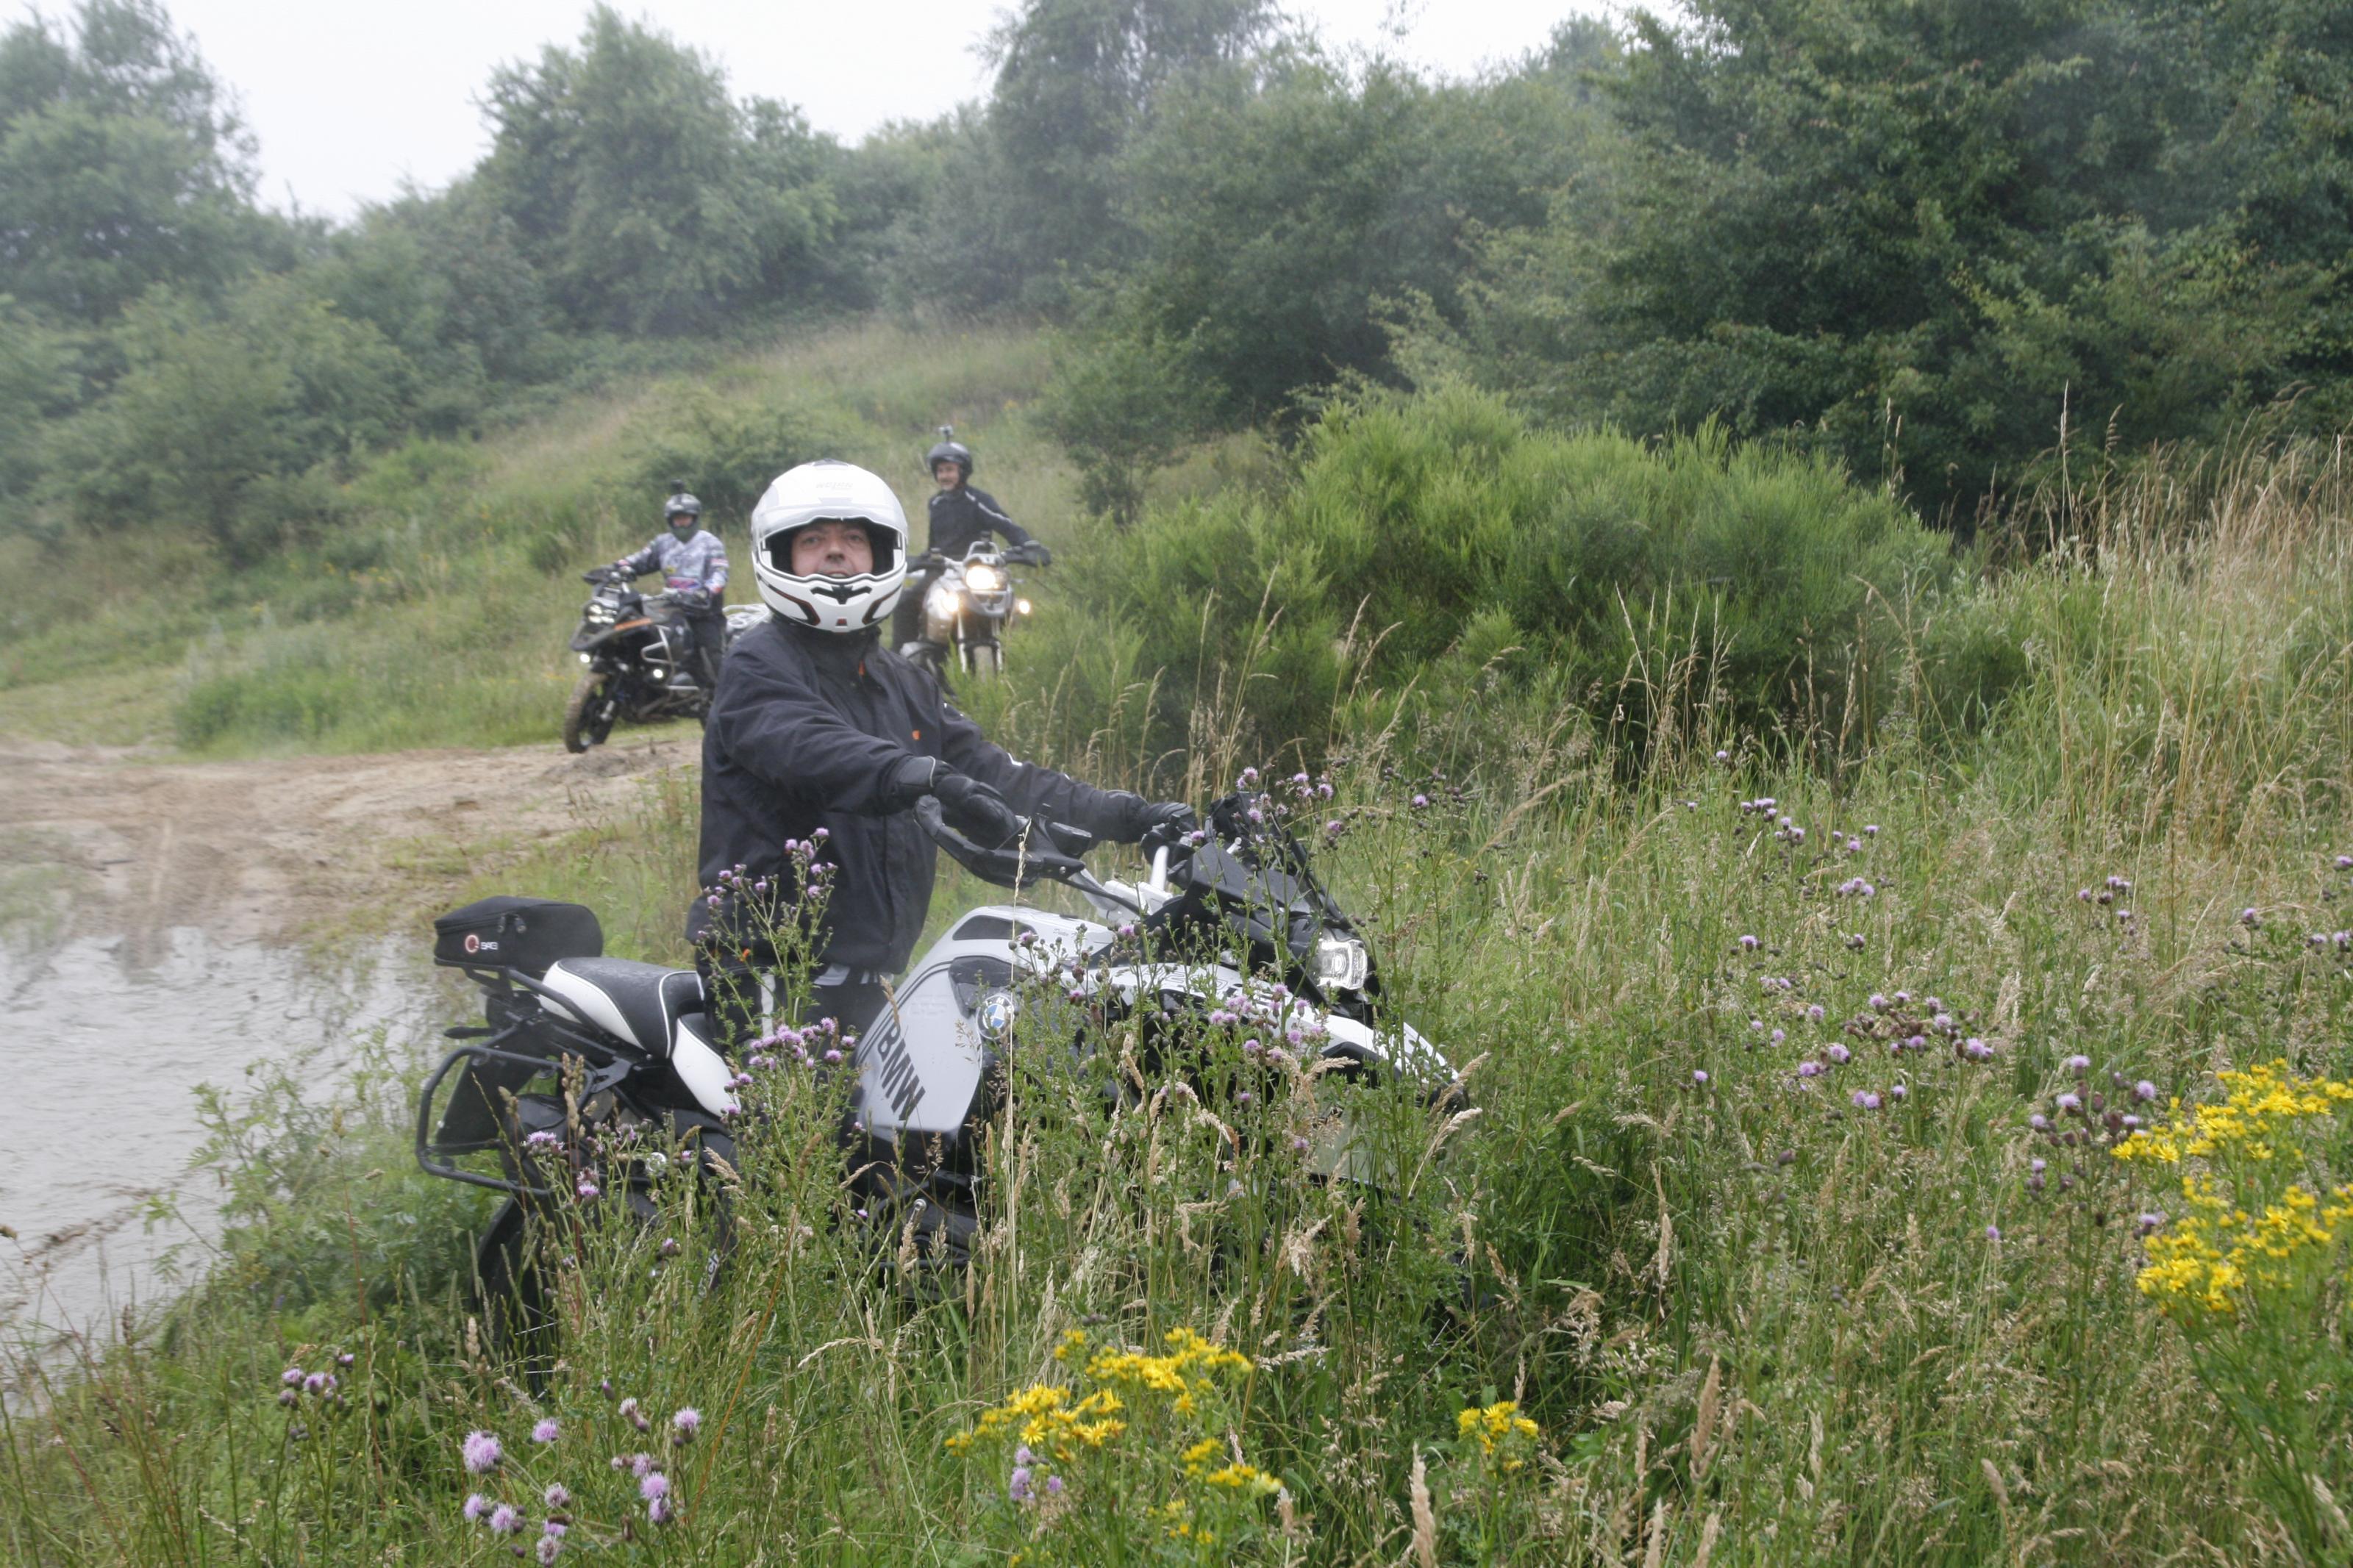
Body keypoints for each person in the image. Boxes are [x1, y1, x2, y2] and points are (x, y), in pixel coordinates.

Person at [692, 459, 1190, 1042]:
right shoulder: (756, 664)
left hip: (872, 979)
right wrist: (920, 775)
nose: (836, 552)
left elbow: (997, 774)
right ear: (779, 555)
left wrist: (1132, 815)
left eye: (853, 539)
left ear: (881, 553)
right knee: (810, 1108)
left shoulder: (904, 681)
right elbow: (814, 748)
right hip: (768, 969)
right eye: (813, 541)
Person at [894, 429, 1050, 652]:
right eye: (940, 471)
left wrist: (1026, 546)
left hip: (979, 570)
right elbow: (934, 544)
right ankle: (899, 663)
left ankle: (1019, 655)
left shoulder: (978, 500)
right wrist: (922, 560)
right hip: (944, 570)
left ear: (963, 471)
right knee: (905, 603)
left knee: (1012, 606)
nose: (944, 476)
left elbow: (1006, 525)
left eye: (950, 470)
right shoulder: (936, 504)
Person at [612, 490, 729, 688]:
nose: (681, 523)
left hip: (705, 611)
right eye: (677, 519)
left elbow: (720, 573)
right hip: (673, 607)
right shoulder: (663, 543)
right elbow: (640, 560)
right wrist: (618, 567)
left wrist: (706, 592)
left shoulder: (711, 543)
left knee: (714, 657)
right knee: (658, 641)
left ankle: (725, 695)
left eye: (685, 518)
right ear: (670, 521)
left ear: (695, 518)